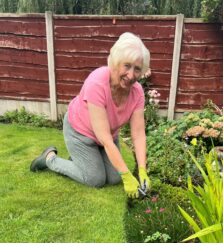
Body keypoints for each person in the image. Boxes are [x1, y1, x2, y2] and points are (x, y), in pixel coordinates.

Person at [30, 32, 151, 198]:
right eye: (127, 66)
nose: (131, 75)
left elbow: (138, 134)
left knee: (115, 178)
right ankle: (50, 159)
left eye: (137, 69)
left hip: (107, 135)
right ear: (116, 62)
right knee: (95, 179)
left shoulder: (137, 92)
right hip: (81, 132)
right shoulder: (97, 83)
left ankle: (80, 161)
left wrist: (142, 170)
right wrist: (127, 176)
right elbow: (105, 139)